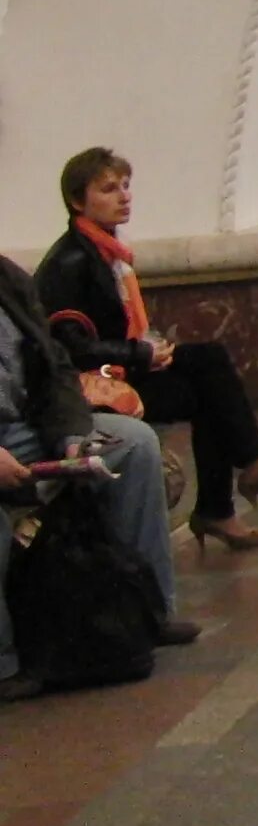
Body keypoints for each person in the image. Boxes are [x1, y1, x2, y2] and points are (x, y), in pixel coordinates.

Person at [37, 150, 258, 554]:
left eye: (125, 186)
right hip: (94, 389)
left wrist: (147, 349)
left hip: (119, 369)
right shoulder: (70, 263)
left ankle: (245, 475)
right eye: (109, 189)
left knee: (210, 361)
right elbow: (67, 347)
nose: (124, 197)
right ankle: (233, 490)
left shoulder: (105, 252)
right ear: (78, 201)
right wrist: (139, 354)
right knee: (209, 394)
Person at [0, 247, 200, 702]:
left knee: (132, 444)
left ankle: (149, 611)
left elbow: (54, 367)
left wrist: (71, 434)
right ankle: (5, 662)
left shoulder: (6, 277)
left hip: (20, 426)